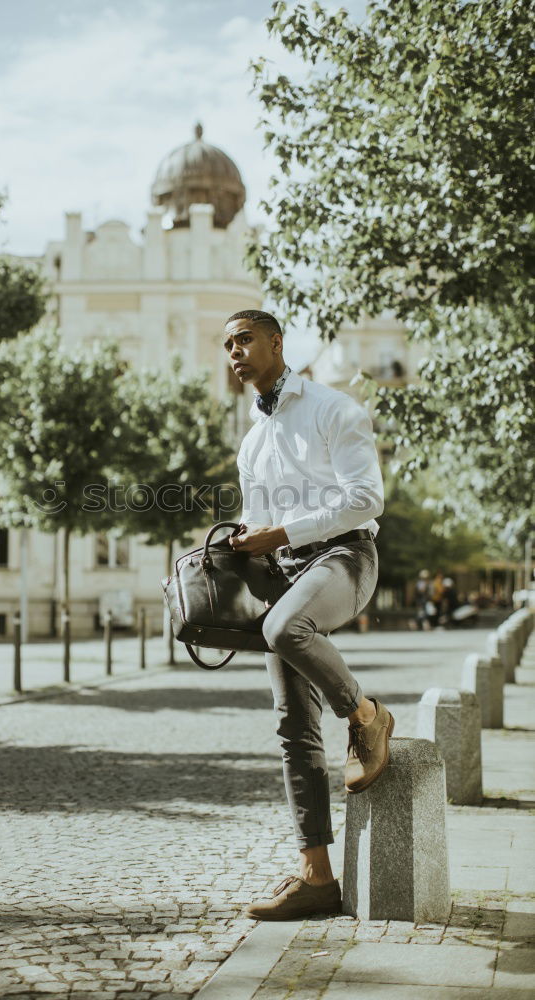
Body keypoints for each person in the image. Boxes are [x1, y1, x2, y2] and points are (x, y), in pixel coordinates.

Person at [223, 310, 393, 921]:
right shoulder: (252, 439)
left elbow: (366, 498)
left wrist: (285, 531)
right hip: (286, 572)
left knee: (283, 628)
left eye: (244, 339)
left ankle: (367, 715)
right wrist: (236, 543)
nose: (234, 351)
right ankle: (317, 879)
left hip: (346, 557)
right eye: (227, 344)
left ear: (276, 342)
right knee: (294, 727)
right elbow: (257, 519)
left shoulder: (332, 408)